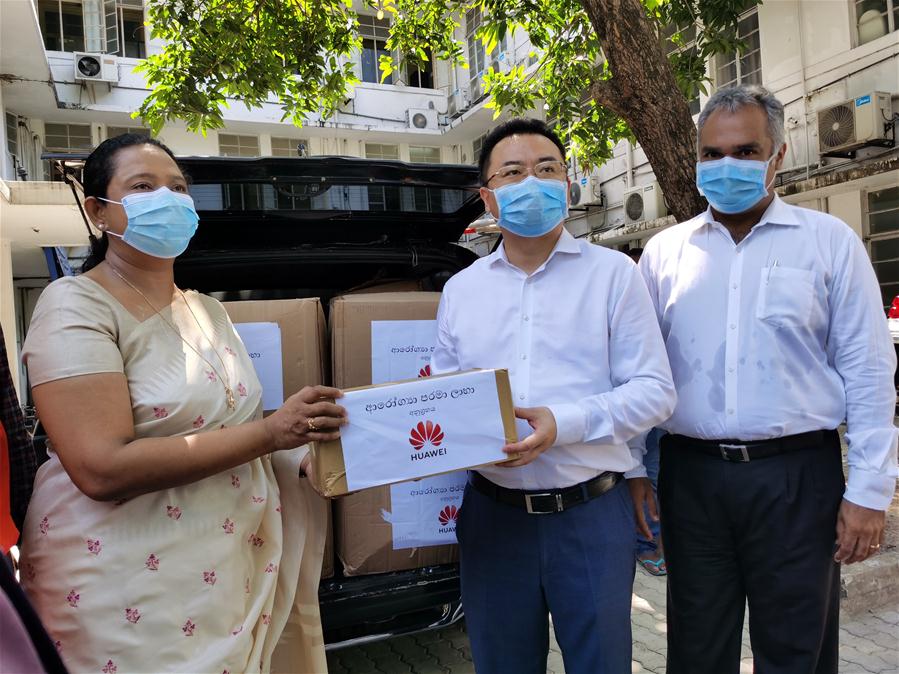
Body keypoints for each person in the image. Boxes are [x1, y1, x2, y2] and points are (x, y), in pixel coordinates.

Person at [19, 134, 347, 674]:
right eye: (143, 187)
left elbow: (235, 427)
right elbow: (101, 468)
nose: (168, 200)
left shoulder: (206, 311)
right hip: (123, 593)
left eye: (178, 188)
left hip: (227, 572)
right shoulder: (74, 305)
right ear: (99, 211)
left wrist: (306, 454)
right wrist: (273, 434)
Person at [639, 85, 899, 674]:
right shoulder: (663, 255)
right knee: (696, 649)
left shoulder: (829, 243)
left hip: (798, 481)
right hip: (692, 479)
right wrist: (635, 469)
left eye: (746, 152)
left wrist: (868, 491)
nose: (726, 166)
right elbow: (640, 372)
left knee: (796, 649)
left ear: (778, 155)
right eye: (712, 154)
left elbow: (868, 371)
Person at [431, 118, 676, 674]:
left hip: (589, 515)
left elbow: (656, 393)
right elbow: (445, 397)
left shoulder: (614, 275)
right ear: (489, 196)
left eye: (547, 169)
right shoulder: (461, 290)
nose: (533, 183)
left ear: (567, 184)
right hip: (494, 517)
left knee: (601, 664)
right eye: (513, 173)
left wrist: (561, 423)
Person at [624, 249, 666, 576]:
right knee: (646, 476)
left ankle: (656, 543)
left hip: (666, 413)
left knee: (656, 476)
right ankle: (648, 543)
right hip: (641, 416)